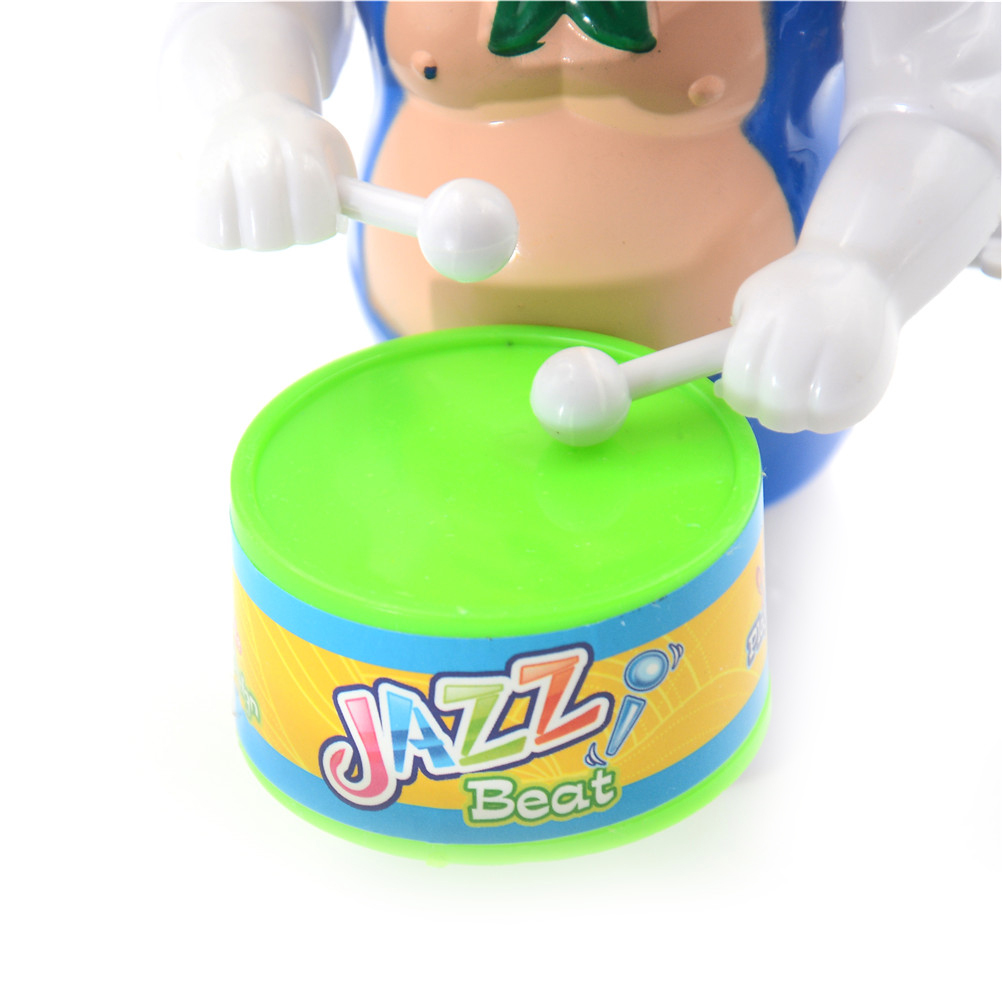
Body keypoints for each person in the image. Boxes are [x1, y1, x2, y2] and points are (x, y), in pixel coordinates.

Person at [160, 2, 1000, 499]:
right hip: (420, 379)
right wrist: (250, 101)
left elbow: (949, 96)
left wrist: (861, 266)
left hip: (759, 400)